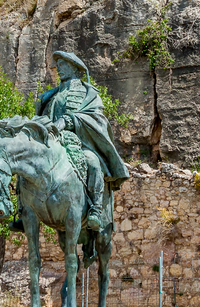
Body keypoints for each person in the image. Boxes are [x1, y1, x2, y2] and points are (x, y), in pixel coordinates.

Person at [35, 51, 130, 231]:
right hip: (53, 142)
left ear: (75, 68)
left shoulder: (88, 94)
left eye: (63, 65)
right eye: (58, 65)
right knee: (28, 162)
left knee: (92, 162)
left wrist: (68, 121)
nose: (59, 69)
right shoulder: (50, 96)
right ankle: (24, 211)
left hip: (78, 142)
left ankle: (95, 209)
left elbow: (96, 119)